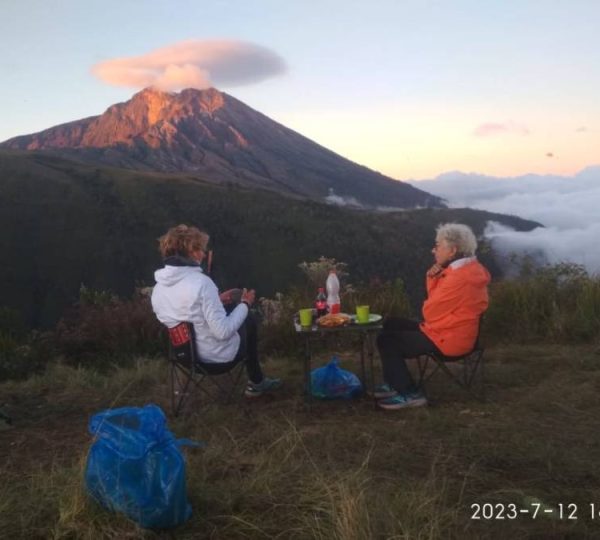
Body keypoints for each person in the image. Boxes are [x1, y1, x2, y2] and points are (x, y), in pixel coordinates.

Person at [151, 224, 282, 398]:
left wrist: (217, 300)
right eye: (200, 250)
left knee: (230, 310)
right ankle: (256, 383)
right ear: (190, 252)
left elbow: (184, 312)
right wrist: (245, 303)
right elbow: (223, 332)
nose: (204, 254)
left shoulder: (159, 288)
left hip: (185, 358)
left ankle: (256, 382)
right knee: (248, 320)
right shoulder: (201, 283)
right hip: (217, 360)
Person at [375, 223, 490, 410]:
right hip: (453, 331)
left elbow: (429, 312)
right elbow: (435, 312)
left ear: (452, 250)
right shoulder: (470, 269)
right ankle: (394, 382)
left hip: (449, 339)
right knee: (391, 324)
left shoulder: (457, 278)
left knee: (388, 341)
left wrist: (431, 278)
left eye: (437, 246)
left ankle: (409, 393)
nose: (433, 250)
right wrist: (435, 278)